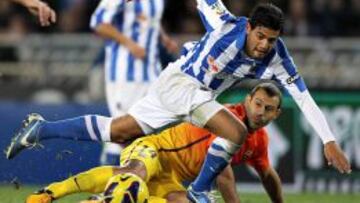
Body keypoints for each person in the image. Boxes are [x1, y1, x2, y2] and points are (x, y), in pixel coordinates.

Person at [6, 0, 351, 202]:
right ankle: (201, 191)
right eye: (261, 37)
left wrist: (329, 139)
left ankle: (41, 129)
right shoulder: (226, 26)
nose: (264, 45)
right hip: (182, 84)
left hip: (176, 85)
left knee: (120, 131)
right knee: (235, 130)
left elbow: (302, 97)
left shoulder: (277, 58)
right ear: (249, 28)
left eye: (271, 40)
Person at [26, 83, 284, 203]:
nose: (260, 112)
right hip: (154, 149)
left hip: (173, 177)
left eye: (268, 109)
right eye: (257, 103)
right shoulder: (230, 118)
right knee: (133, 176)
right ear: (248, 100)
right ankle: (51, 193)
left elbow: (268, 175)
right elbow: (224, 174)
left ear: (276, 114)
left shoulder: (259, 140)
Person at [89, 0, 178, 165]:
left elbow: (148, 20)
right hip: (125, 74)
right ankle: (109, 186)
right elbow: (99, 23)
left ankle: (141, 185)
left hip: (152, 72)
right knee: (120, 133)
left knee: (149, 133)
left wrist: (162, 37)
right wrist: (129, 44)